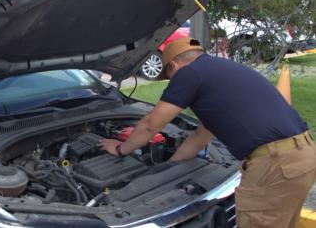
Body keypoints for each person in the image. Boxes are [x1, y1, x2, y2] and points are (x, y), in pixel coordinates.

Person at [98, 37, 316, 228]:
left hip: (274, 164)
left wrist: (120, 149)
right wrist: (169, 167)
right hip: (302, 157)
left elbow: (150, 125)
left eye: (170, 76)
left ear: (173, 65)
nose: (172, 82)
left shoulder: (190, 73)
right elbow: (201, 135)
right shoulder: (222, 69)